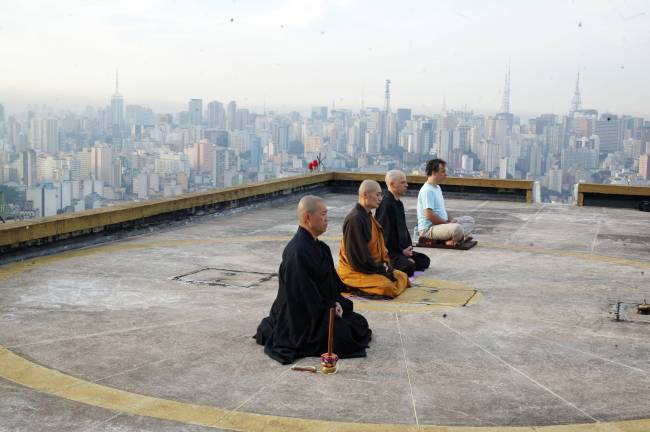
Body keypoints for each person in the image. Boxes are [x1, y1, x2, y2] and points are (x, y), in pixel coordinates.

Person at [255, 195, 371, 364]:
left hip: (320, 307)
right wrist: (330, 307)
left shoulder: (319, 246)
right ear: (308, 218)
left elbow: (329, 284)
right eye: (323, 214)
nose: (327, 219)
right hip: (302, 317)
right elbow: (302, 296)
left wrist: (335, 302)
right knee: (345, 335)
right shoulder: (297, 253)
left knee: (358, 323)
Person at [337, 180, 410, 298]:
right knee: (388, 287)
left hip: (373, 266)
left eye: (380, 195)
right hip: (356, 271)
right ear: (366, 194)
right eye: (378, 194)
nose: (380, 198)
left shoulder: (367, 216)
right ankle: (354, 287)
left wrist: (385, 267)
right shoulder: (355, 219)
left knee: (402, 277)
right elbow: (357, 259)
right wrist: (381, 269)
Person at [376, 170, 430, 277]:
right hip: (389, 252)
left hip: (400, 250)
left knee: (424, 260)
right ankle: (389, 264)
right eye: (402, 182)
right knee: (408, 267)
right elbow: (385, 236)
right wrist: (401, 252)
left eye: (406, 182)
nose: (406, 185)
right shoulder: (386, 204)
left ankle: (406, 260)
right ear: (392, 184)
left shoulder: (398, 203)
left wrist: (408, 248)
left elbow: (403, 229)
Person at [416, 159, 474, 245]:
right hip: (429, 229)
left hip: (442, 225)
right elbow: (429, 215)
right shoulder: (427, 190)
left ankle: (454, 238)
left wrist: (451, 220)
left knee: (469, 220)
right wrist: (446, 224)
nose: (445, 174)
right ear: (434, 173)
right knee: (456, 229)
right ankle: (452, 239)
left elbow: (442, 210)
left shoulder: (437, 188)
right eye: (442, 171)